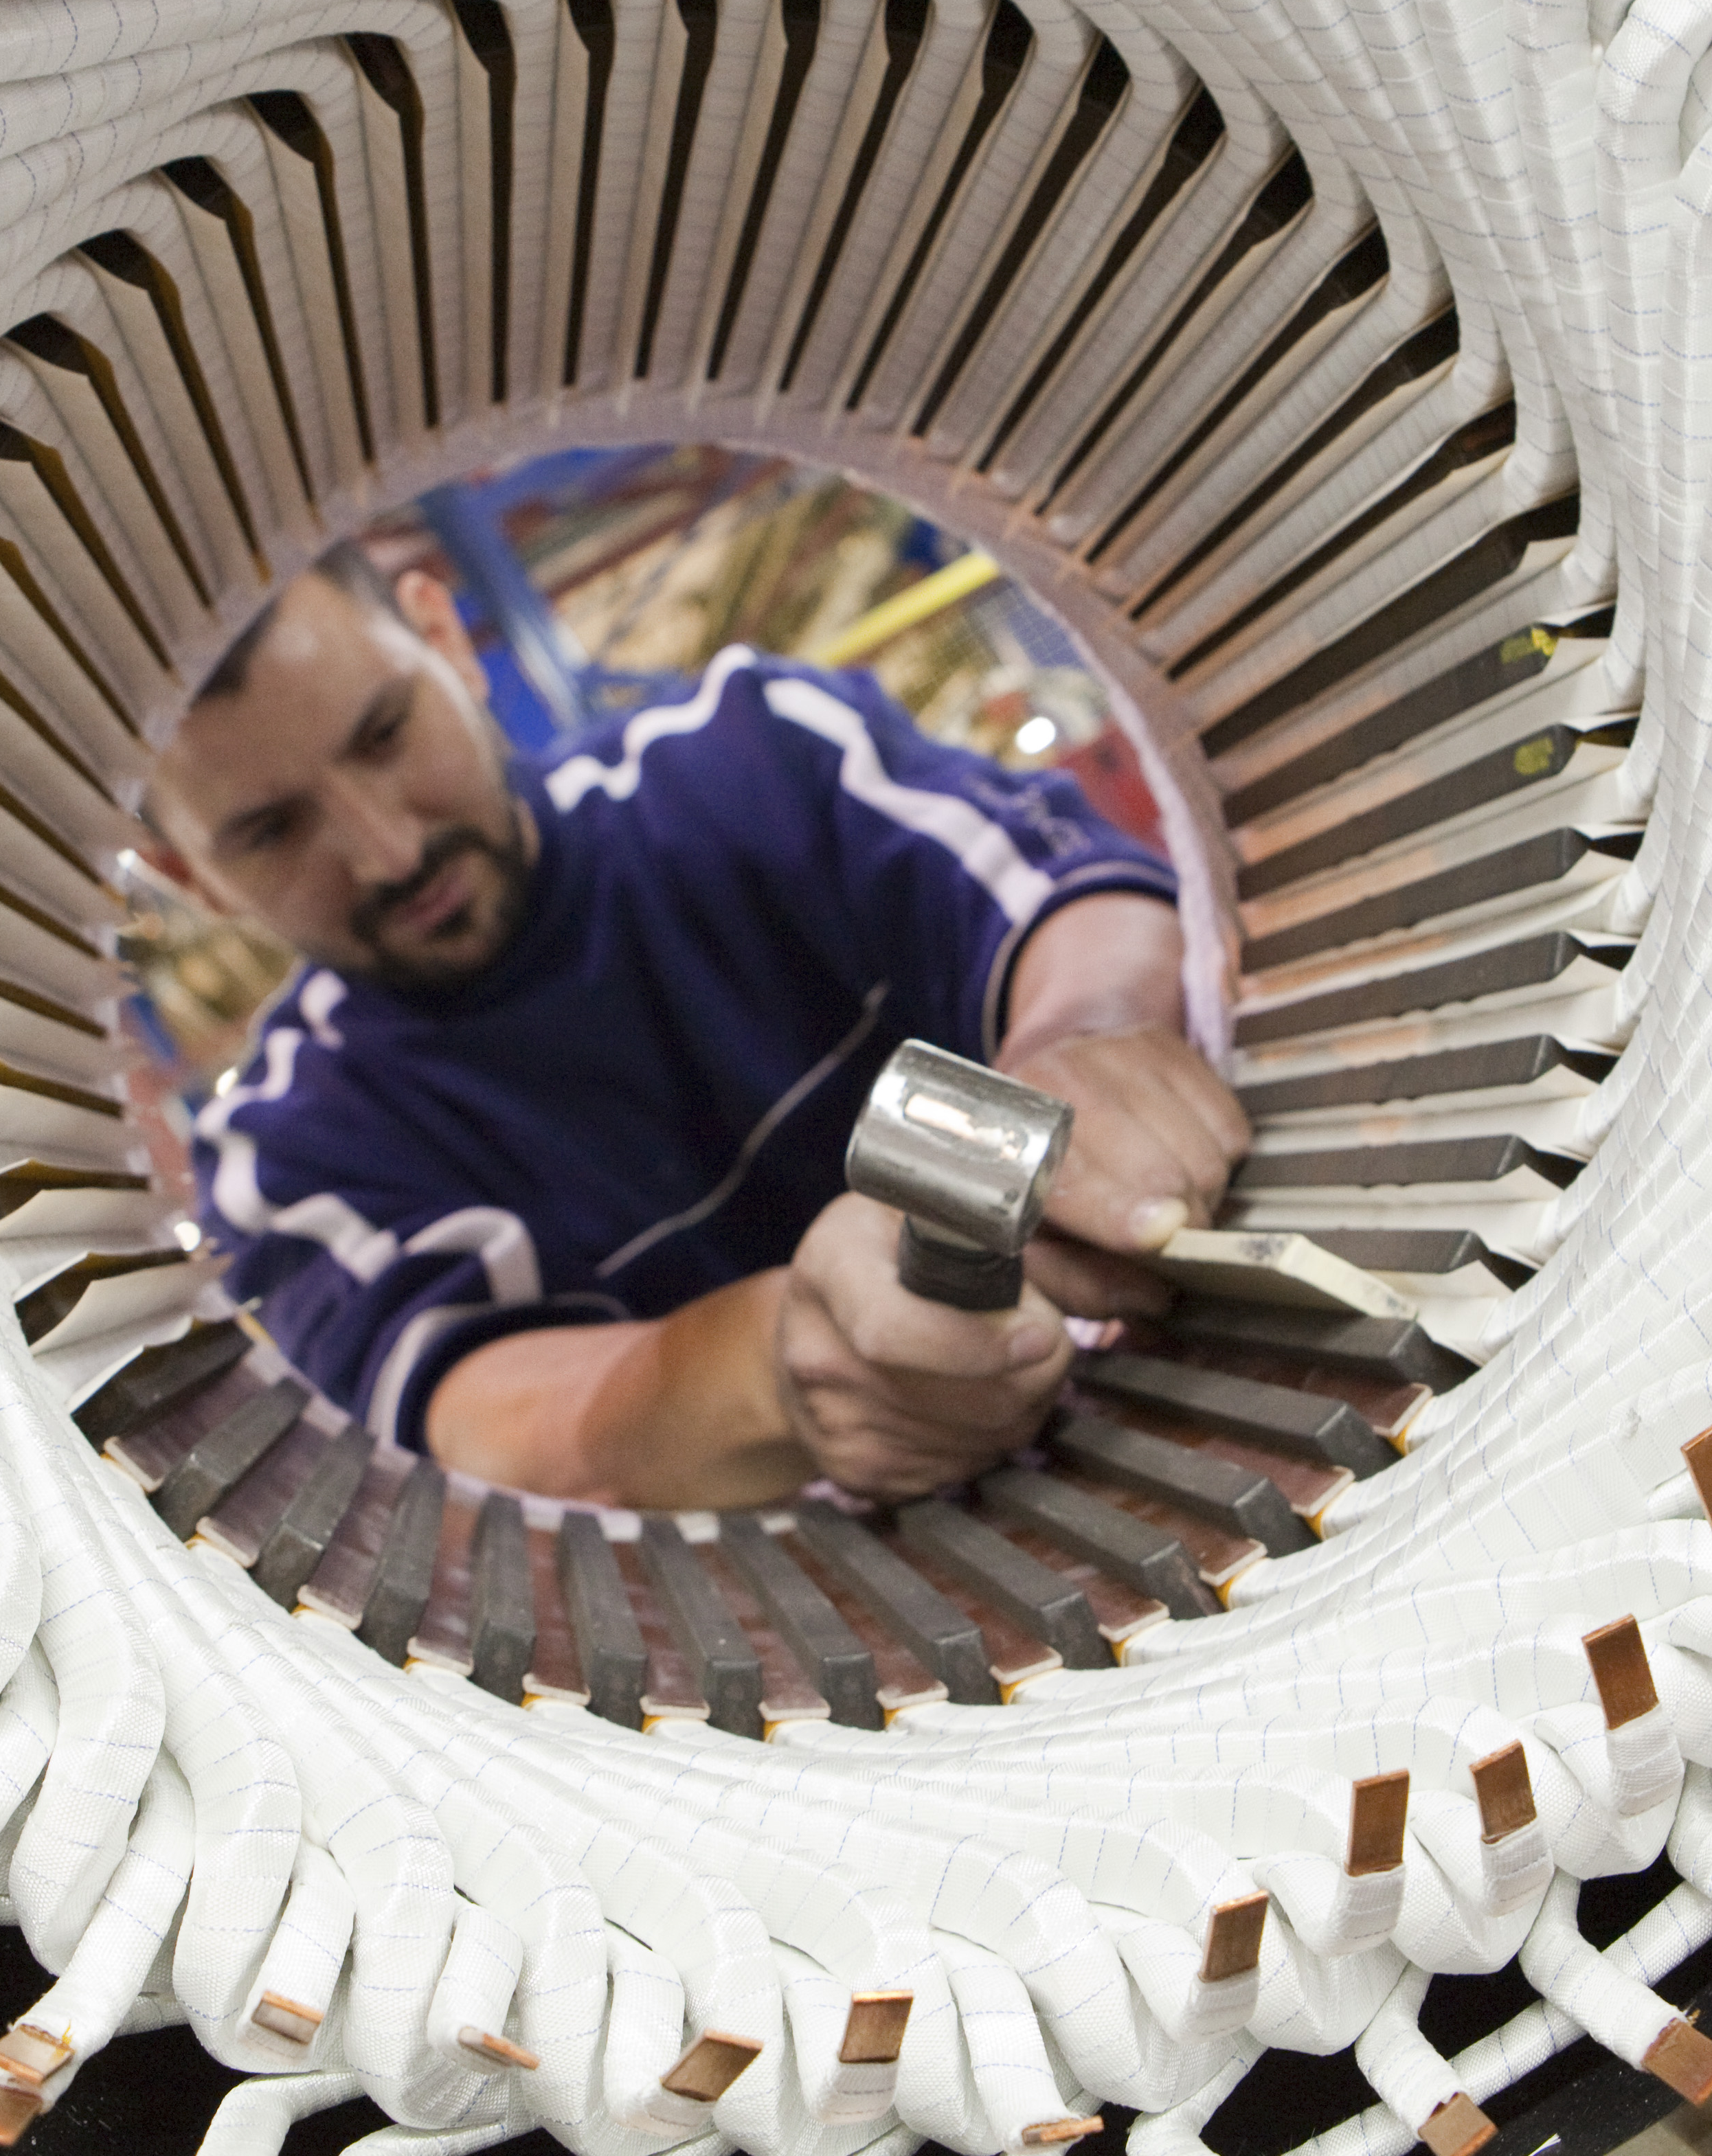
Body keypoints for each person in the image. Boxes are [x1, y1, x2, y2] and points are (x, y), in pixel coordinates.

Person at [144, 539, 1249, 1508]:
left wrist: (1078, 1049)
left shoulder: (745, 762)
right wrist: (771, 1365)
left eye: (386, 734)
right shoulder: (289, 1156)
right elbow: (493, 1428)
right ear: (191, 876)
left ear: (444, 637)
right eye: (273, 831)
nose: (388, 851)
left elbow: (1068, 902)